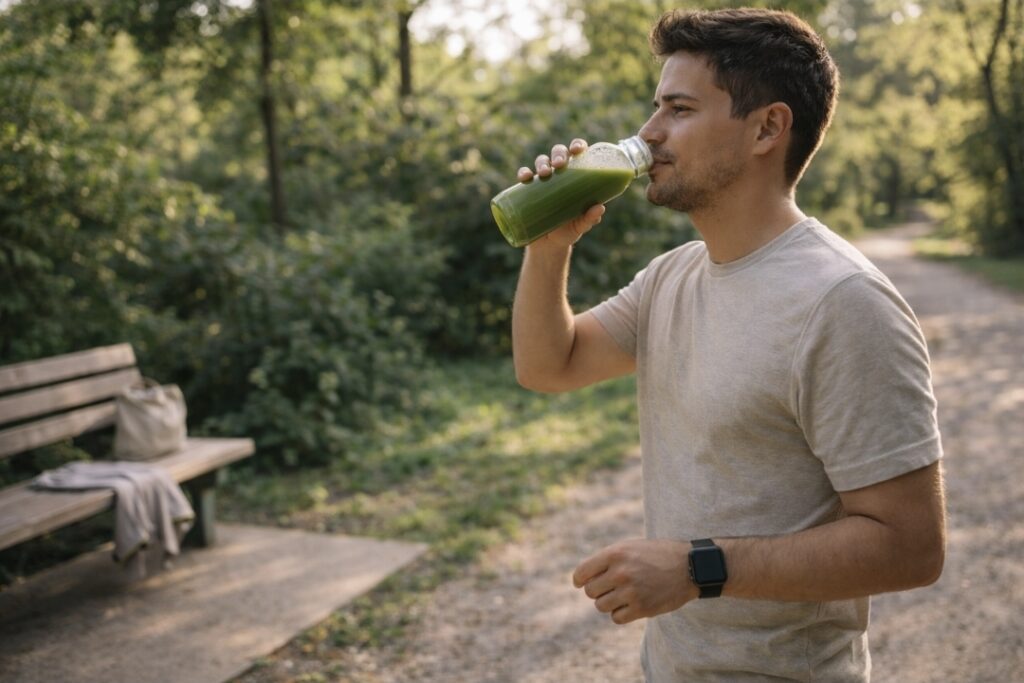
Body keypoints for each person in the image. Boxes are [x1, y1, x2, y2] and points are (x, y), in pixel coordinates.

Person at [510, 7, 946, 682]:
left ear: (767, 127)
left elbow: (912, 547)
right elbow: (548, 365)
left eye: (679, 110)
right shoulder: (671, 277)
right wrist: (548, 245)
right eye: (656, 108)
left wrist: (697, 568)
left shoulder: (843, 302)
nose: (648, 133)